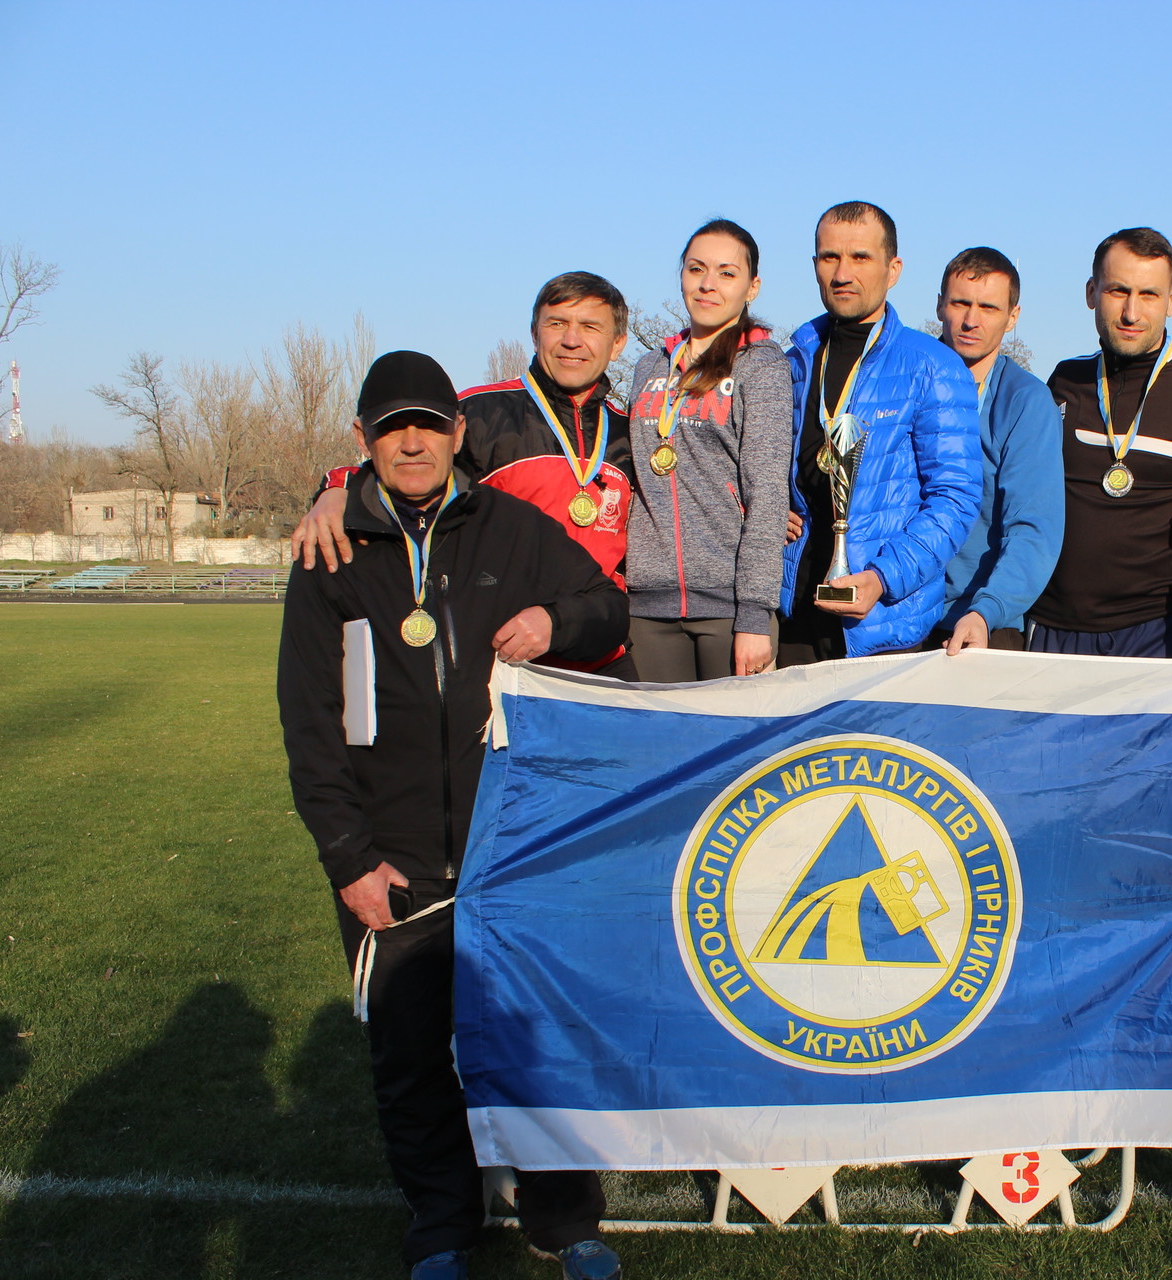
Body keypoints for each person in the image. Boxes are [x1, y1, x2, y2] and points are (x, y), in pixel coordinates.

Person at [277, 351, 629, 1280]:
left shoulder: (510, 528)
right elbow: (308, 724)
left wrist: (556, 623)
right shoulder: (329, 553)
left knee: (538, 1039)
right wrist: (348, 859)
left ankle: (566, 1222)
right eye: (394, 427)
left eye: (430, 423)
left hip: (509, 851)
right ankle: (440, 1228)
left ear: (458, 433)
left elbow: (607, 605)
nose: (415, 441)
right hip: (390, 856)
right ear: (363, 441)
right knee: (410, 1058)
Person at [292, 272, 638, 678]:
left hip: (601, 650)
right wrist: (337, 486)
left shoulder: (631, 432)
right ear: (534, 332)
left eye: (590, 327)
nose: (572, 340)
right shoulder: (477, 413)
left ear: (617, 344)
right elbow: (400, 459)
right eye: (557, 323)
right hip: (504, 658)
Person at [1027, 227, 1172, 658]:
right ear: (1091, 292)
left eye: (1149, 295)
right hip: (1052, 625)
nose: (1131, 313)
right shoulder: (1065, 379)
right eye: (1118, 291)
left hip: (1158, 630)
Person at [778, 200, 982, 664]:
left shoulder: (933, 365)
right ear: (814, 266)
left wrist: (883, 577)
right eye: (830, 257)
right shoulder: (793, 362)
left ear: (894, 268)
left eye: (860, 258)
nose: (842, 273)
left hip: (885, 623)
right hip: (796, 614)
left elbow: (955, 498)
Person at [620, 219, 793, 680]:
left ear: (752, 287)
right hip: (647, 605)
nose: (708, 284)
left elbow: (768, 491)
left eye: (726, 273)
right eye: (696, 269)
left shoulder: (761, 366)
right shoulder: (649, 366)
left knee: (737, 752)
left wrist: (756, 613)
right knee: (661, 748)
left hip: (729, 608)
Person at [928, 247, 1064, 654]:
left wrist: (988, 610)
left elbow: (1032, 528)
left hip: (979, 625)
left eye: (988, 307)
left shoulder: (1026, 401)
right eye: (960, 303)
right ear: (939, 305)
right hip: (889, 614)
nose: (972, 320)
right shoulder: (904, 378)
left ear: (1013, 316)